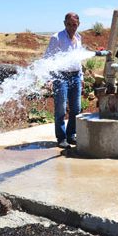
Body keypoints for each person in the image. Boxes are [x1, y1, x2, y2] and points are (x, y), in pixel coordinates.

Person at [44, 12, 83, 149]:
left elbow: (78, 59)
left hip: (76, 76)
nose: (72, 27)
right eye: (69, 24)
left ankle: (71, 135)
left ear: (78, 24)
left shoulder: (78, 38)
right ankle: (61, 138)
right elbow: (48, 58)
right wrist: (49, 79)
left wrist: (81, 76)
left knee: (76, 108)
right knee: (60, 108)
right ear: (64, 24)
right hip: (61, 77)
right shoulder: (57, 38)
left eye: (74, 25)